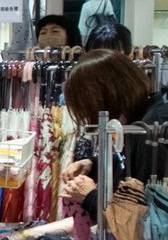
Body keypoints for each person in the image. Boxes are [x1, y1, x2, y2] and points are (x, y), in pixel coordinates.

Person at [62, 50, 168, 216]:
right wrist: (93, 164)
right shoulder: (141, 120)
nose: (88, 116)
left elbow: (146, 219)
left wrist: (91, 197)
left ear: (106, 95)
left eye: (88, 106)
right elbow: (131, 165)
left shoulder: (148, 131)